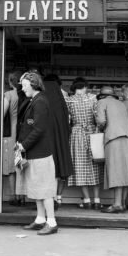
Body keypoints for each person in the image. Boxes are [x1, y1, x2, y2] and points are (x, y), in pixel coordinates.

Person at [18, 72, 58, 235]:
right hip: (36, 152)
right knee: (38, 188)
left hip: (39, 152)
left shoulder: (39, 101)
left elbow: (39, 128)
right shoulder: (36, 100)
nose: (22, 88)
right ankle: (41, 219)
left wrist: (23, 146)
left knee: (45, 190)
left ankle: (52, 222)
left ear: (34, 84)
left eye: (24, 85)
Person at [96, 85, 128, 214]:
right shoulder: (121, 104)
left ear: (101, 95)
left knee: (116, 171)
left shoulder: (101, 102)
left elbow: (101, 121)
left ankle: (117, 204)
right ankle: (120, 203)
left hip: (114, 138)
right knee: (124, 172)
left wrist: (100, 126)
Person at [65, 77, 103, 210]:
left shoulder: (69, 100)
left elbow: (67, 120)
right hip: (92, 132)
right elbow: (98, 118)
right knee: (95, 166)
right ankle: (97, 200)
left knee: (80, 167)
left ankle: (86, 200)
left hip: (76, 134)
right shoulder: (93, 98)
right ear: (85, 87)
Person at [43, 74, 73, 209]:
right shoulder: (62, 100)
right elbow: (68, 122)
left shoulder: (41, 99)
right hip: (60, 140)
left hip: (44, 141)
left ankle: (48, 199)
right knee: (59, 168)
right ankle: (57, 197)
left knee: (46, 170)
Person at [3, 71, 23, 205]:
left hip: (11, 132)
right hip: (23, 131)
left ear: (10, 82)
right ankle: (22, 196)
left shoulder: (9, 95)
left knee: (11, 165)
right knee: (21, 163)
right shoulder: (25, 95)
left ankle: (13, 196)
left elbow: (2, 113)